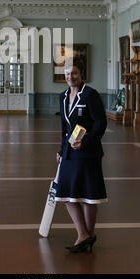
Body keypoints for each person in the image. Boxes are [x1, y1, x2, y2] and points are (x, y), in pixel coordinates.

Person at [55, 61, 108, 253]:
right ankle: (84, 234)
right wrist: (61, 150)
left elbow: (100, 123)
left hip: (88, 153)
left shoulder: (90, 95)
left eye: (74, 73)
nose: (71, 77)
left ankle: (86, 236)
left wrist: (85, 142)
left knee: (88, 195)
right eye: (67, 74)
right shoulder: (62, 97)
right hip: (70, 153)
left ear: (81, 74)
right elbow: (64, 129)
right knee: (67, 194)